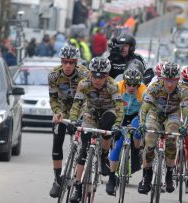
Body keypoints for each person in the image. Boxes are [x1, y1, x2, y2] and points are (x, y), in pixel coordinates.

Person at [68, 57, 124, 202]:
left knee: (107, 123)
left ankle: (104, 155)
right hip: (91, 112)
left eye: (102, 76)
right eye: (94, 76)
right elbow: (77, 104)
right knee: (83, 150)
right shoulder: (84, 84)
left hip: (108, 111)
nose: (97, 80)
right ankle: (78, 187)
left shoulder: (113, 86)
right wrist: (73, 120)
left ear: (107, 75)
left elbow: (119, 109)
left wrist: (117, 125)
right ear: (90, 73)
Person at [138, 61, 188, 194]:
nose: (170, 84)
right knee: (149, 141)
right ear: (163, 78)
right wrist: (142, 123)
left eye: (173, 80)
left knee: (172, 138)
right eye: (167, 80)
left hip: (172, 115)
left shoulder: (183, 90)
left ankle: (169, 174)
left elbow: (185, 110)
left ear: (178, 79)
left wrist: (184, 126)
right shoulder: (154, 87)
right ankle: (147, 175)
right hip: (155, 113)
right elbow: (144, 108)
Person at [48, 45, 89, 198]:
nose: (67, 65)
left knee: (83, 139)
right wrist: (57, 112)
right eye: (65, 62)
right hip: (64, 107)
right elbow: (53, 98)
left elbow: (88, 98)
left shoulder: (85, 74)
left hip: (81, 107)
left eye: (71, 62)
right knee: (57, 137)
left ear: (76, 62)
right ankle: (57, 179)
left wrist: (82, 116)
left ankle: (80, 179)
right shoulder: (54, 75)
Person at [105, 65, 147, 196]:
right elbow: (111, 105)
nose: (132, 88)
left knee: (138, 129)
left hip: (136, 115)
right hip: (121, 115)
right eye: (129, 84)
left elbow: (145, 110)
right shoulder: (118, 87)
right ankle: (111, 178)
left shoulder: (143, 91)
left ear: (139, 85)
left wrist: (142, 124)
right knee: (117, 146)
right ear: (125, 82)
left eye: (135, 85)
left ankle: (136, 152)